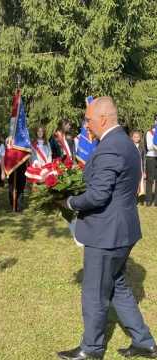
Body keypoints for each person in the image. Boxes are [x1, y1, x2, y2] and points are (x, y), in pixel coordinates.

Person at [57, 97, 157, 360]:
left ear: (103, 119)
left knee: (94, 293)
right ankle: (144, 342)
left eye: (88, 120)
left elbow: (98, 195)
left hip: (107, 234)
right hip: (123, 230)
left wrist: (69, 201)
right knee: (117, 286)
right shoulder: (123, 142)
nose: (86, 126)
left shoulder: (111, 147)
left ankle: (91, 349)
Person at [144, 116, 157, 206]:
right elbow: (149, 147)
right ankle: (148, 200)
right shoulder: (150, 133)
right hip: (151, 157)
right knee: (150, 180)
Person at [131, 130, 146, 199]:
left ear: (140, 138)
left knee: (140, 181)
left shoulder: (142, 147)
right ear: (132, 138)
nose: (136, 138)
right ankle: (133, 197)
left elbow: (144, 159)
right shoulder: (129, 146)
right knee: (133, 182)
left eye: (138, 137)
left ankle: (140, 197)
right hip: (131, 166)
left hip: (140, 167)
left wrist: (144, 170)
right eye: (135, 137)